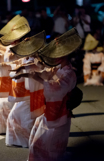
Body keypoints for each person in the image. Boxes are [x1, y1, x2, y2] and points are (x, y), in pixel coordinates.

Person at [11, 28, 82, 161]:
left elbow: (57, 89)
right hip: (53, 112)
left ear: (62, 56)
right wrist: (28, 73)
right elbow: (45, 73)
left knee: (47, 145)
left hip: (60, 114)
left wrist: (38, 78)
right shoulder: (58, 69)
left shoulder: (69, 73)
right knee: (38, 140)